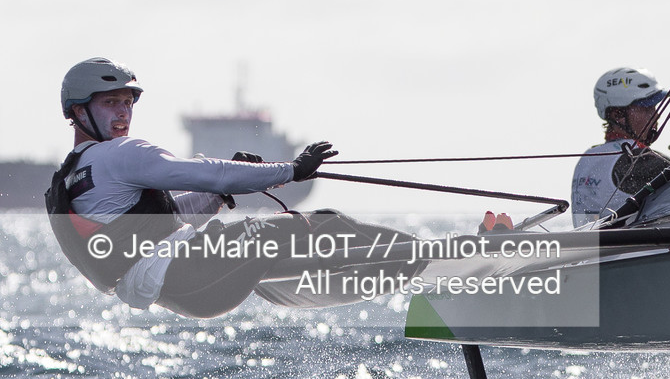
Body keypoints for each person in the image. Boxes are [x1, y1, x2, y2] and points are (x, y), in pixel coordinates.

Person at [46, 57, 414, 318]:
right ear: (79, 111)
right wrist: (292, 169)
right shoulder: (117, 155)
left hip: (184, 294)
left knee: (311, 231)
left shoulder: (72, 177)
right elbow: (209, 172)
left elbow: (166, 219)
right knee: (323, 226)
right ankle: (429, 254)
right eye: (111, 103)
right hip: (190, 271)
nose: (124, 113)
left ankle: (406, 260)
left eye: (127, 103)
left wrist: (219, 195)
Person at [571, 66, 670, 226]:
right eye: (646, 108)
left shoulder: (588, 157)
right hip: (640, 250)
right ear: (617, 115)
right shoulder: (637, 161)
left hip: (596, 249)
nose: (656, 114)